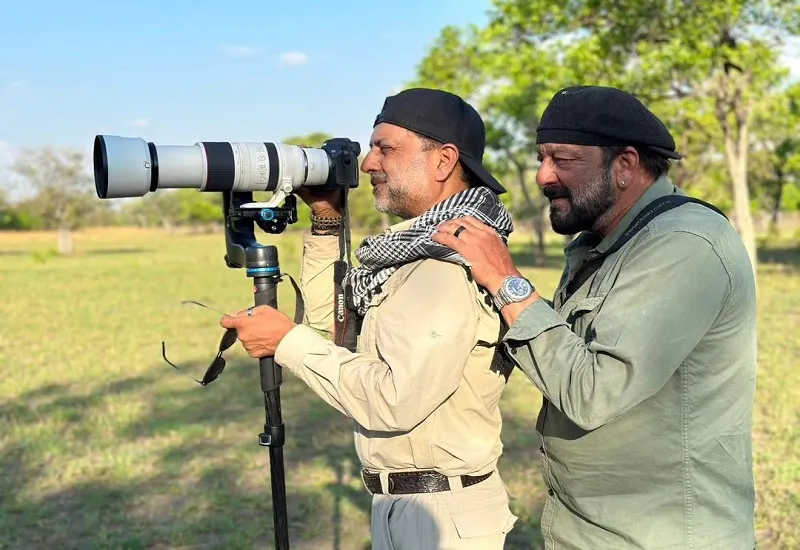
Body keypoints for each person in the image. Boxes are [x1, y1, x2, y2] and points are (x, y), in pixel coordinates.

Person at [432, 85, 758, 549]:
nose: (544, 175)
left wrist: (506, 281)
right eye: (542, 157)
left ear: (624, 166)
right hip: (592, 529)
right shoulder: (603, 243)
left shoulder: (684, 243)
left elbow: (592, 391)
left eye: (563, 159)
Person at [220, 88, 519, 549]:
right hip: (407, 507)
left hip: (442, 520)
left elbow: (393, 399)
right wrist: (326, 222)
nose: (368, 163)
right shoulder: (412, 249)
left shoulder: (446, 262)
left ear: (443, 161)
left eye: (386, 148)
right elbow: (335, 332)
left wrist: (286, 342)